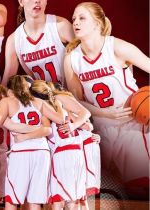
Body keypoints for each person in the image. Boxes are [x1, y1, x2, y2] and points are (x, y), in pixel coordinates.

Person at [64, 2, 150, 198]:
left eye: (82, 18)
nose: (75, 22)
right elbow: (75, 102)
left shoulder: (116, 47)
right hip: (102, 128)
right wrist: (104, 113)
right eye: (74, 19)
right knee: (107, 193)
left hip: (131, 124)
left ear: (97, 24)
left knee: (140, 189)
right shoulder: (71, 59)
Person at [0, 75, 64, 210]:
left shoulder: (7, 101)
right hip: (41, 152)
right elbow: (52, 125)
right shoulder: (38, 102)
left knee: (12, 198)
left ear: (10, 89)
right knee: (35, 200)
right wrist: (58, 105)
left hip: (21, 152)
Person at [30, 80, 91, 210]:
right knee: (75, 199)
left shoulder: (48, 103)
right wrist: (76, 124)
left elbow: (86, 114)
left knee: (59, 199)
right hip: (76, 152)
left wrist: (74, 125)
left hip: (61, 154)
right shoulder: (59, 102)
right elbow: (87, 125)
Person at [1, 0, 74, 86]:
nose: (37, 1)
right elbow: (6, 84)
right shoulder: (14, 40)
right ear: (21, 2)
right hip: (43, 96)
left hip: (71, 93)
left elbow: (86, 60)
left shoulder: (61, 25)